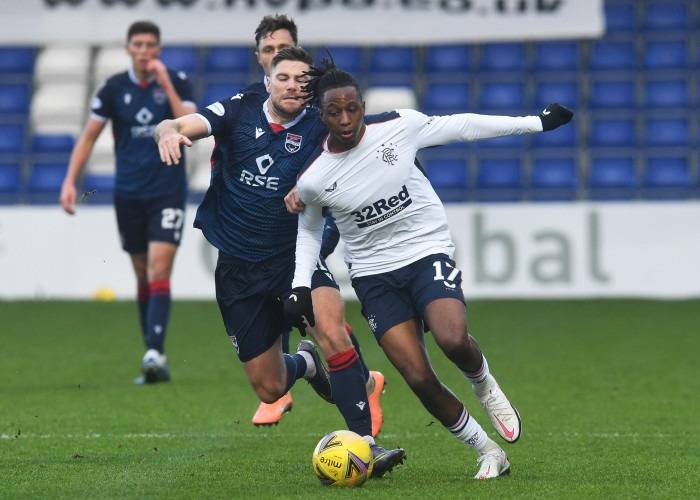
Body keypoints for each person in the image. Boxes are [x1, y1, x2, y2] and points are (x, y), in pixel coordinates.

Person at [283, 61, 573, 479]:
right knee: (418, 376)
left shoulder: (401, 127)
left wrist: (535, 123)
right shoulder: (314, 178)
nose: (345, 120)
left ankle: (484, 384)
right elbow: (309, 232)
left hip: (425, 251)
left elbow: (464, 126)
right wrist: (298, 286)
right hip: (374, 275)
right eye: (334, 112)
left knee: (453, 338)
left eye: (352, 109)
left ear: (363, 106)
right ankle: (488, 451)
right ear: (322, 115)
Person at [154, 47, 405, 477]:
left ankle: (366, 443)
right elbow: (179, 123)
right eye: (282, 77)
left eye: (300, 79)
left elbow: (374, 134)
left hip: (295, 258)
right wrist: (167, 132)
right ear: (266, 81)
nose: (292, 84)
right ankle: (306, 364)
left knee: (332, 330)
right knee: (269, 387)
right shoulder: (239, 108)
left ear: (310, 89)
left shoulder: (320, 124)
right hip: (238, 269)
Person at [240, 14, 387, 433]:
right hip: (255, 240)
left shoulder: (324, 107)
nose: (275, 58)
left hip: (309, 227)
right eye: (268, 52)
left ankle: (360, 424)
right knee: (289, 330)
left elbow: (360, 137)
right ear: (261, 61)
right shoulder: (248, 106)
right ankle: (318, 376)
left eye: (282, 49)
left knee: (317, 313)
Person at [59, 21, 196, 384]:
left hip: (167, 189)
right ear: (128, 48)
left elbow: (188, 122)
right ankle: (152, 350)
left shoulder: (177, 81)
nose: (144, 50)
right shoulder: (114, 88)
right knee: (141, 274)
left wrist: (165, 82)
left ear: (159, 48)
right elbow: (89, 137)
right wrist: (70, 181)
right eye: (138, 44)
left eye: (151, 44)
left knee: (158, 269)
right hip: (129, 193)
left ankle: (155, 351)